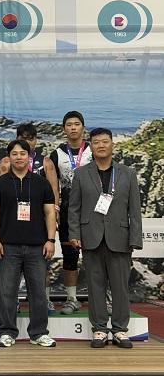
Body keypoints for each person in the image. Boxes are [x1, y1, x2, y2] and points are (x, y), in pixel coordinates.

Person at [69, 128, 142, 349]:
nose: (101, 145)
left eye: (105, 141)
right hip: (90, 237)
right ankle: (99, 329)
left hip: (120, 238)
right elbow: (74, 208)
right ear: (90, 146)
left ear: (112, 144)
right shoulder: (81, 174)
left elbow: (134, 210)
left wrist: (135, 238)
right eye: (96, 142)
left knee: (120, 287)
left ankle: (120, 330)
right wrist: (74, 234)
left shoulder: (127, 173)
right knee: (95, 286)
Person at [0, 139, 57, 348]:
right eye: (14, 154)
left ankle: (39, 333)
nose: (19, 157)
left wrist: (51, 240)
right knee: (7, 292)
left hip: (37, 246)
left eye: (23, 153)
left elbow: (50, 212)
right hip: (8, 246)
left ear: (29, 156)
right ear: (9, 157)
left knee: (38, 293)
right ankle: (7, 332)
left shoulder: (41, 183)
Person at [0, 123, 60, 313]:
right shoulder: (5, 163)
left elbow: (54, 191)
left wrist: (54, 216)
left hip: (38, 226)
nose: (27, 142)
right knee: (11, 272)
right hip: (12, 226)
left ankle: (45, 300)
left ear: (36, 140)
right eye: (23, 138)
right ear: (17, 139)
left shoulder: (46, 163)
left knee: (41, 268)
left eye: (31, 139)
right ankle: (14, 302)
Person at [49, 111, 92, 315]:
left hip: (92, 210)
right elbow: (52, 186)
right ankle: (72, 299)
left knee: (96, 256)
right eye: (69, 124)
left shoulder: (93, 150)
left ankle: (103, 298)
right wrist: (55, 210)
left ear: (83, 127)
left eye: (77, 124)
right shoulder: (57, 154)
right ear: (64, 129)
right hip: (67, 211)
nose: (73, 127)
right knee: (69, 255)